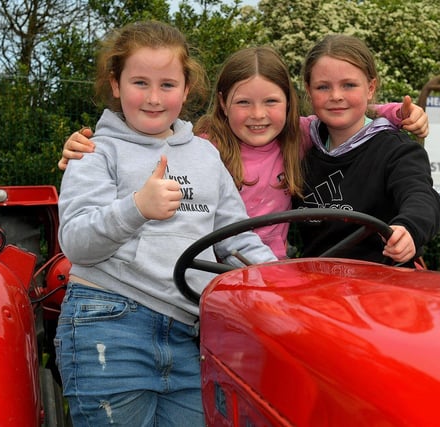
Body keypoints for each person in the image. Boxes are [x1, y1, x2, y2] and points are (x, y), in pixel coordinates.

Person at [54, 20, 277, 426]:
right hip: (110, 325)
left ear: (187, 89)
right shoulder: (96, 152)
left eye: (168, 85)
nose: (154, 98)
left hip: (192, 332)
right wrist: (137, 207)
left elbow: (236, 239)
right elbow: (76, 243)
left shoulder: (205, 156)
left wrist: (281, 282)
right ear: (116, 84)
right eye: (140, 82)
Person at [59, 46, 430, 259]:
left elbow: (346, 114)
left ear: (289, 103)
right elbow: (150, 146)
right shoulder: (203, 148)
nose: (257, 115)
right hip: (209, 269)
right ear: (222, 103)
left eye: (271, 102)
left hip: (272, 267)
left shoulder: (298, 137)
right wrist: (87, 150)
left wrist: (398, 114)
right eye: (243, 103)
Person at [294, 34, 440, 265]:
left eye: (349, 85)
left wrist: (409, 229)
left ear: (370, 88)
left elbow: (421, 195)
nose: (336, 96)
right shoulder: (302, 148)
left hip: (382, 283)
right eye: (323, 87)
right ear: (309, 90)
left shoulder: (397, 150)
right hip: (314, 285)